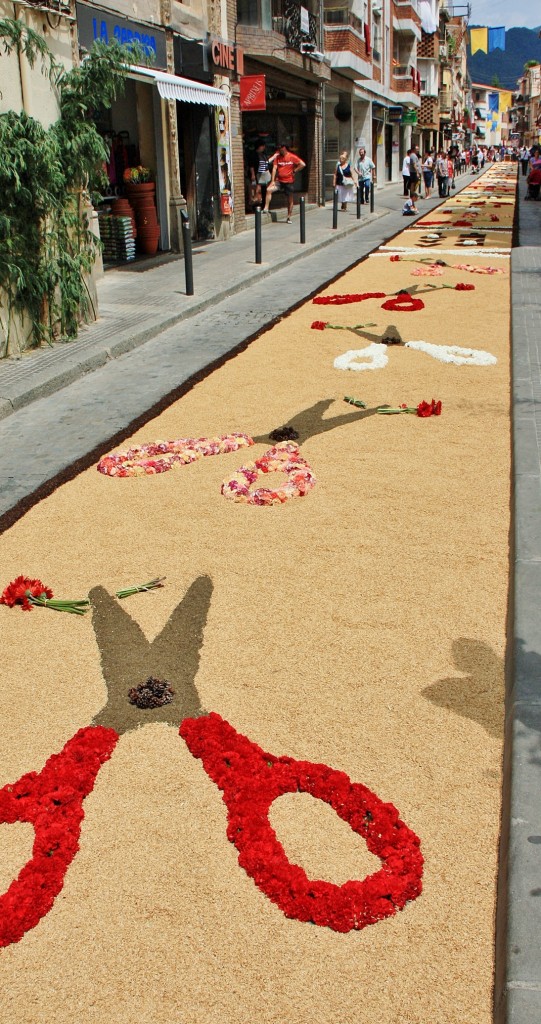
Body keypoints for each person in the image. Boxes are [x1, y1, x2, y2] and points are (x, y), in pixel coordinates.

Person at [263, 142, 306, 223]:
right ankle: (266, 208)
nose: (280, 151)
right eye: (279, 149)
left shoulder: (291, 156)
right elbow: (274, 168)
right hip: (279, 181)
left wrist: (294, 170)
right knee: (269, 190)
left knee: (289, 199)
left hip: (289, 181)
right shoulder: (278, 157)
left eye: (281, 149)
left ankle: (289, 217)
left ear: (285, 148)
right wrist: (272, 181)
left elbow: (303, 164)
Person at [248, 140, 272, 209]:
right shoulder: (254, 154)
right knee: (255, 190)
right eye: (262, 146)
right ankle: (253, 205)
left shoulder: (263, 155)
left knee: (264, 190)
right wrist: (253, 175)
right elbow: (251, 165)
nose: (263, 147)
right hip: (257, 174)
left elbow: (266, 164)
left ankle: (263, 205)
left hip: (264, 175)